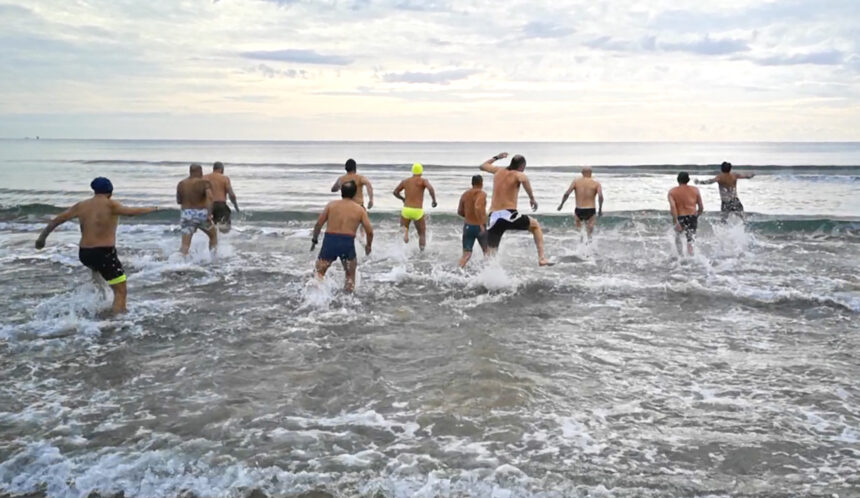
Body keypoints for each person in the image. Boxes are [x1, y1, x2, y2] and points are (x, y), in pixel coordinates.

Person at [34, 177, 159, 314]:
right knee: (120, 290)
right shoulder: (111, 204)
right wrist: (151, 209)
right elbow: (131, 213)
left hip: (85, 254)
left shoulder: (81, 205)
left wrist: (42, 239)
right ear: (110, 191)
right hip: (104, 253)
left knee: (98, 274)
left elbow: (58, 220)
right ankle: (117, 321)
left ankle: (99, 306)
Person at [479, 152, 549, 266]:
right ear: (521, 166)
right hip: (508, 214)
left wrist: (497, 157)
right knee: (535, 226)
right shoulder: (518, 174)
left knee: (491, 254)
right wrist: (532, 198)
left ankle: (485, 277)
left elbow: (482, 166)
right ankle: (542, 258)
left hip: (493, 217)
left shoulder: (498, 171)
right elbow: (524, 179)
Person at [311, 181, 373, 292]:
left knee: (319, 273)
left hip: (330, 240)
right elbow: (369, 231)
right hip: (347, 242)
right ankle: (347, 302)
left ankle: (315, 297)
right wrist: (368, 246)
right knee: (349, 275)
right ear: (354, 194)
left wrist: (314, 240)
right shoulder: (359, 210)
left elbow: (318, 224)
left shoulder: (331, 205)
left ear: (341, 192)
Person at [393, 163, 437, 250]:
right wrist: (434, 200)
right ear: (421, 172)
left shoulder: (405, 181)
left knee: (403, 230)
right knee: (422, 234)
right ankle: (422, 252)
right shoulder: (423, 181)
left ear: (412, 171)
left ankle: (404, 236)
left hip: (406, 210)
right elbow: (431, 189)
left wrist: (403, 199)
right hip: (417, 211)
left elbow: (395, 192)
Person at [176, 164, 217, 255]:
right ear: (200, 171)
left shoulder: (181, 183)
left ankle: (179, 263)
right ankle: (213, 259)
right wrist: (209, 214)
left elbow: (179, 201)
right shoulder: (204, 182)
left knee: (185, 244)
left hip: (186, 214)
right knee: (213, 236)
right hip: (201, 214)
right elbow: (210, 197)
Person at [557, 166, 604, 238]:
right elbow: (600, 196)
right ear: (591, 173)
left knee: (580, 232)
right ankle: (589, 246)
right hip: (590, 209)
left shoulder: (576, 182)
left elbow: (567, 193)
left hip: (579, 209)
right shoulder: (596, 183)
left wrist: (561, 205)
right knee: (589, 233)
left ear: (582, 173)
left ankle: (580, 245)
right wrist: (600, 209)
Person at [668, 172, 704, 256]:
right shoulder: (695, 190)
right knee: (690, 239)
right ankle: (691, 256)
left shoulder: (672, 191)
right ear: (688, 180)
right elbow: (701, 207)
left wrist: (676, 221)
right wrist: (696, 216)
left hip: (680, 217)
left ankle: (680, 256)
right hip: (692, 216)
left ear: (678, 180)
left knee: (677, 237)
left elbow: (673, 207)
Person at [457, 175, 488, 267]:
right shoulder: (482, 194)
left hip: (468, 227)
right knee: (487, 252)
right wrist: (480, 223)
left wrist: (469, 217)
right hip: (479, 227)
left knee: (466, 254)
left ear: (472, 183)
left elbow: (459, 211)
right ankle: (488, 273)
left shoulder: (465, 194)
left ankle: (459, 271)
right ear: (481, 183)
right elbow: (478, 207)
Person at [203, 161, 239, 233]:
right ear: (221, 169)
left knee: (209, 229)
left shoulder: (204, 177)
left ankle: (210, 242)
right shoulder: (224, 178)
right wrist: (235, 205)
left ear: (214, 168)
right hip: (220, 205)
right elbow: (231, 195)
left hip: (207, 206)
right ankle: (223, 243)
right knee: (225, 228)